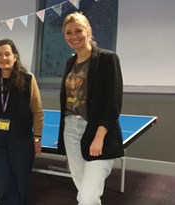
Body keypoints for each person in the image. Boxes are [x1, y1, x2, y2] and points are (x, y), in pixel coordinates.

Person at [58, 12, 124, 205]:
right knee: (83, 189)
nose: (74, 36)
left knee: (87, 196)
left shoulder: (107, 58)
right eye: (68, 32)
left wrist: (99, 136)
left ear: (89, 31)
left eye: (78, 30)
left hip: (96, 130)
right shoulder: (70, 63)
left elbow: (113, 103)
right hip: (70, 129)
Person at [0, 39, 44, 205]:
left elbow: (37, 111)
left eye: (7, 54)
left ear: (15, 57)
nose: (4, 58)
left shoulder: (28, 79)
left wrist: (37, 137)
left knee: (21, 179)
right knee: (1, 179)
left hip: (21, 138)